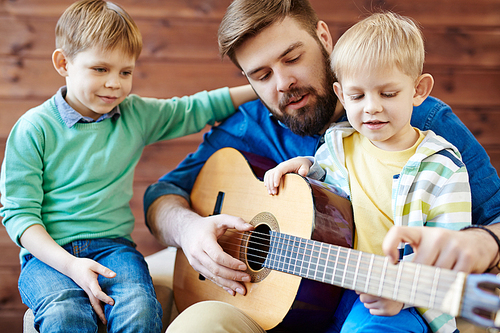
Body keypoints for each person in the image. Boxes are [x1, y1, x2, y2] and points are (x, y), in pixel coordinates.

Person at [143, 0, 500, 331]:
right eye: (262, 75)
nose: (284, 83)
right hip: (268, 310)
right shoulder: (246, 127)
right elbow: (164, 194)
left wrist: (480, 245)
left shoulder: (416, 117)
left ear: (324, 38)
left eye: (292, 58)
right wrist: (188, 230)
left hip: (380, 305)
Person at [0, 1, 255, 332]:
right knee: (66, 315)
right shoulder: (34, 128)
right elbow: (19, 216)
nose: (115, 84)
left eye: (126, 72)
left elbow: (196, 108)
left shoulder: (135, 115)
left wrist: (261, 87)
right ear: (64, 63)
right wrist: (71, 265)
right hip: (49, 257)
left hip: (113, 247)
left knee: (139, 309)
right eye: (100, 69)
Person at [263, 11, 471, 332]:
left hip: (405, 302)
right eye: (357, 96)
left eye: (387, 93)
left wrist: (402, 292)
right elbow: (328, 206)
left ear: (418, 90)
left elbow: (451, 249)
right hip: (336, 287)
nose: (371, 106)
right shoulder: (337, 145)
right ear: (341, 95)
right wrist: (306, 171)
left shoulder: (442, 166)